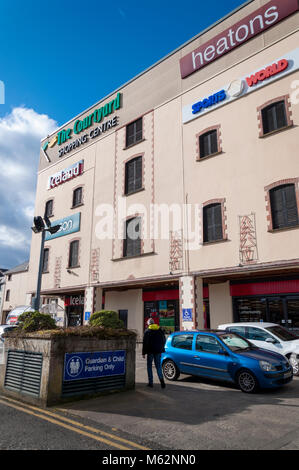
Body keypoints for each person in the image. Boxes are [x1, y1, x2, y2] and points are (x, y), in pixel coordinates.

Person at [142, 318, 166, 389]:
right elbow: (163, 340)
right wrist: (161, 348)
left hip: (150, 351)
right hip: (158, 351)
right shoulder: (160, 330)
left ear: (148, 324)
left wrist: (144, 353)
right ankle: (162, 382)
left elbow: (145, 343)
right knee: (158, 366)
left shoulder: (147, 331)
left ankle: (151, 383)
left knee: (149, 366)